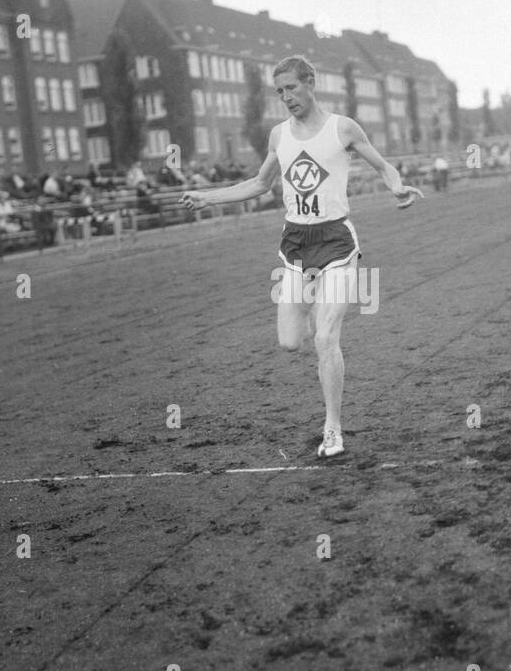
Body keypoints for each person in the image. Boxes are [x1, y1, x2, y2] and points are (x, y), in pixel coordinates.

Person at [181, 54, 424, 459]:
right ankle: (317, 312)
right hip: (295, 245)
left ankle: (332, 427)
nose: (286, 97)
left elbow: (383, 166)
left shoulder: (342, 128)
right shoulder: (279, 135)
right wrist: (208, 198)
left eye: (291, 88)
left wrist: (397, 187)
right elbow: (260, 183)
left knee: (326, 338)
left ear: (311, 82)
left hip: (336, 241)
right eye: (279, 92)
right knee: (290, 342)